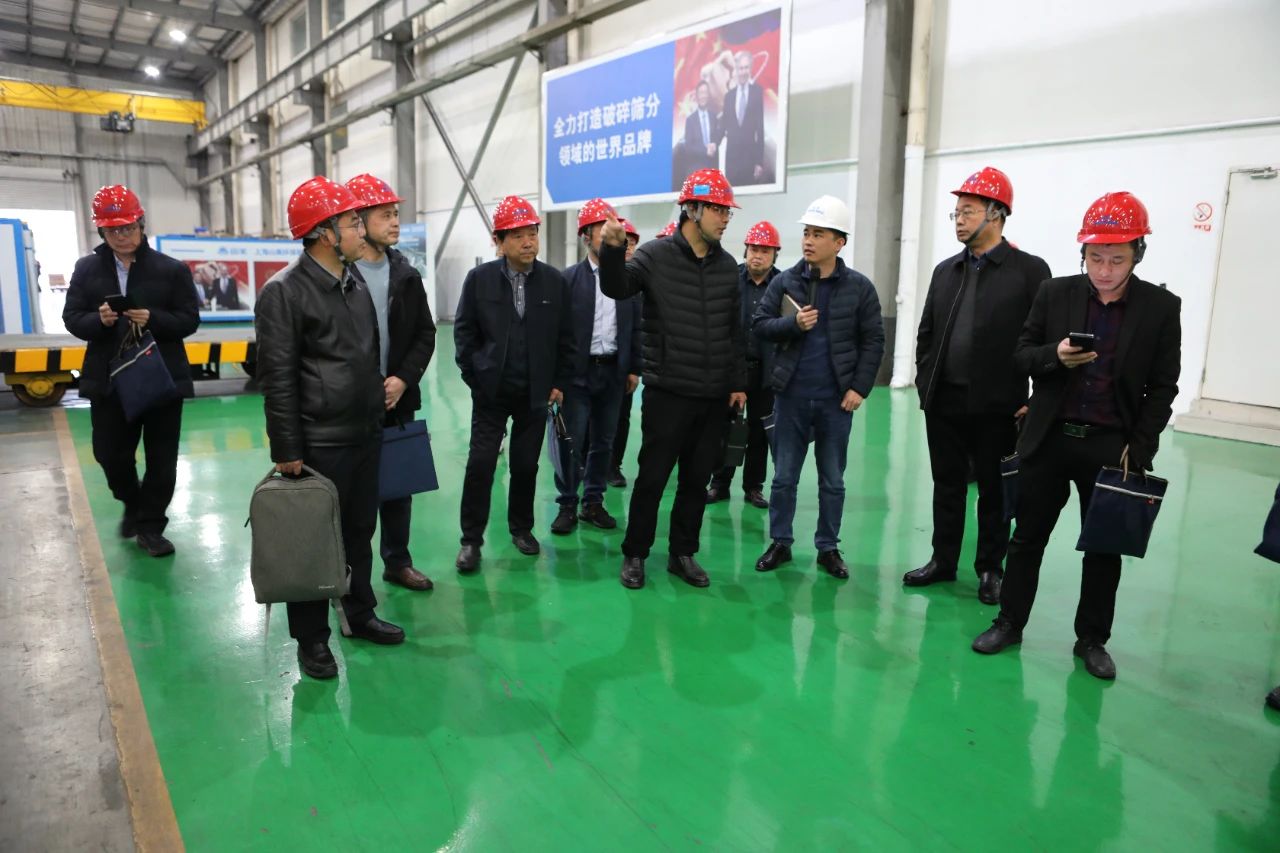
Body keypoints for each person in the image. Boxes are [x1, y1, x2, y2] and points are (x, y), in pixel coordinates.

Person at [971, 191, 1182, 681]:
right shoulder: (1056, 293)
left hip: (1112, 445)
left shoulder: (1159, 308)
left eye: (1116, 259)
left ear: (1137, 255)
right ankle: (1009, 621)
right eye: (1095, 257)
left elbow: (1163, 385)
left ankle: (1091, 639)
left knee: (1103, 547)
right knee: (1026, 538)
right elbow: (1022, 354)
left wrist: (1141, 447)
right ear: (1081, 253)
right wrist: (1055, 357)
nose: (1104, 270)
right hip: (1049, 439)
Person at [255, 176, 406, 680]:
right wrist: (288, 449)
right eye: (351, 222)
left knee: (361, 531)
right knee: (314, 542)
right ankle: (312, 641)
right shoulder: (284, 293)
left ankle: (358, 614)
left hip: (364, 433)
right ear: (324, 233)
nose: (360, 229)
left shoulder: (354, 281)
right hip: (318, 441)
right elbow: (277, 378)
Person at [904, 167, 1051, 604]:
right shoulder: (945, 271)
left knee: (993, 489)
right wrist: (924, 380)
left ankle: (990, 568)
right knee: (946, 484)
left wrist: (1034, 398)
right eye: (956, 214)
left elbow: (1042, 340)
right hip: (944, 400)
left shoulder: (1029, 271)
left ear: (997, 213)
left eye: (967, 212)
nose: (959, 220)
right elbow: (927, 332)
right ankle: (943, 560)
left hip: (997, 404)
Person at [599, 168, 747, 590]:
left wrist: (737, 383)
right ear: (692, 209)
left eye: (726, 211)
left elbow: (734, 331)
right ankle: (635, 552)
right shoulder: (654, 256)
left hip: (714, 394)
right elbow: (617, 288)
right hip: (668, 392)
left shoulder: (726, 267)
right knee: (652, 477)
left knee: (697, 480)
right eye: (717, 210)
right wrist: (612, 250)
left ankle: (683, 553)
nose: (724, 218)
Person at [63, 184, 200, 558]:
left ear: (141, 223)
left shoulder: (171, 270)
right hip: (109, 380)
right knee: (110, 454)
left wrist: (154, 318)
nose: (121, 236)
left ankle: (151, 526)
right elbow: (72, 318)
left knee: (162, 459)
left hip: (160, 379)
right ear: (101, 232)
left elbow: (189, 320)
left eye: (127, 228)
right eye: (112, 231)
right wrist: (99, 319)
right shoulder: (86, 268)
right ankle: (132, 501)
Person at [751, 196, 884, 580]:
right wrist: (793, 325)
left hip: (836, 401)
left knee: (832, 480)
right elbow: (759, 325)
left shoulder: (859, 288)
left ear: (839, 242)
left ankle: (828, 546)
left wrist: (859, 387)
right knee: (784, 477)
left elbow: (874, 340)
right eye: (806, 233)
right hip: (791, 396)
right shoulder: (785, 281)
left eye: (818, 234)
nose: (808, 241)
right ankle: (781, 541)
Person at [453, 195, 575, 573]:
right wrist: (476, 378)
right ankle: (471, 540)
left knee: (525, 465)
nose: (528, 242)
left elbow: (566, 337)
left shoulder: (553, 281)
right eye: (519, 235)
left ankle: (521, 528)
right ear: (499, 241)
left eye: (533, 234)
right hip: (491, 392)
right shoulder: (480, 280)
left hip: (535, 394)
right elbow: (464, 333)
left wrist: (558, 382)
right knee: (481, 463)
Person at [345, 173, 438, 592]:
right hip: (349, 404)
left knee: (397, 487)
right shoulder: (340, 274)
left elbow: (425, 333)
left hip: (397, 399)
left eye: (396, 214)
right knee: (352, 494)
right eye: (386, 215)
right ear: (359, 221)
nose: (395, 221)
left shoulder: (405, 272)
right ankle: (346, 573)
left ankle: (396, 562)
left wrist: (402, 379)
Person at [551, 199, 641, 534]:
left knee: (604, 441)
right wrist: (557, 378)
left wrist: (633, 368)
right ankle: (567, 504)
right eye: (601, 229)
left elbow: (635, 326)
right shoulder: (568, 280)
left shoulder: (628, 281)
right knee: (571, 440)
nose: (609, 234)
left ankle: (593, 502)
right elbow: (558, 333)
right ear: (586, 237)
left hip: (614, 372)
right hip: (577, 375)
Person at [707, 220, 782, 509]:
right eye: (753, 249)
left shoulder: (783, 285)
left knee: (760, 432)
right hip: (732, 370)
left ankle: (753, 487)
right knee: (726, 429)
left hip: (767, 372)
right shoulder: (731, 280)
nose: (757, 255)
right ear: (746, 250)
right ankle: (719, 484)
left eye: (764, 250)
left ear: (775, 254)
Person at [607, 218, 642, 489]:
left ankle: (614, 465)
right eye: (622, 241)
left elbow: (639, 330)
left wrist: (634, 368)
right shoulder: (598, 278)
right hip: (594, 363)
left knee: (621, 416)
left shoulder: (640, 282)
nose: (627, 247)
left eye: (630, 243)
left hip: (623, 364)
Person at [720, 50, 766, 186]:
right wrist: (713, 142)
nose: (743, 72)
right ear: (736, 69)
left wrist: (759, 162)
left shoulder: (757, 92)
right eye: (740, 68)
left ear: (750, 69)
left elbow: (760, 129)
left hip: (750, 160)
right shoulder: (729, 97)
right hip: (732, 162)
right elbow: (723, 126)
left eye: (746, 68)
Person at [683, 80, 721, 173]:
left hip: (712, 170)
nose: (703, 96)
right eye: (701, 93)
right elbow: (688, 146)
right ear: (696, 96)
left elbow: (716, 138)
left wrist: (715, 144)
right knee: (701, 189)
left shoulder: (713, 117)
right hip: (697, 171)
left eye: (706, 92)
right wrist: (705, 151)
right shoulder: (690, 120)